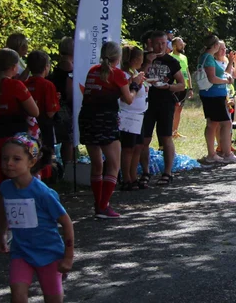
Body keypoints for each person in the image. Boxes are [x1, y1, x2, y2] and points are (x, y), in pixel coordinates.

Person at [0, 134, 75, 303]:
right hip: (21, 253)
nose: (9, 163)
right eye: (5, 158)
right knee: (17, 298)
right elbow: (6, 212)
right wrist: (2, 234)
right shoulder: (5, 187)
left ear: (31, 162)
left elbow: (67, 223)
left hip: (50, 254)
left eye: (16, 159)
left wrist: (68, 257)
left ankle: (58, 280)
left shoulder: (43, 193)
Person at [0, 48, 39, 245]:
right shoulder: (16, 86)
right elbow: (34, 111)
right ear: (14, 67)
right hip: (14, 141)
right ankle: (11, 230)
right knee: (17, 185)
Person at [78, 42, 138, 218]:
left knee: (97, 164)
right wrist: (134, 85)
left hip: (87, 118)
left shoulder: (93, 71)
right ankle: (104, 206)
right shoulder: (117, 74)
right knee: (113, 164)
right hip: (105, 119)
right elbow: (128, 99)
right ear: (118, 57)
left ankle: (99, 204)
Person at [140, 30, 189, 181]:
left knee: (166, 137)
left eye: (163, 43)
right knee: (144, 139)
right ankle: (145, 172)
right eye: (157, 44)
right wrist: (148, 61)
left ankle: (167, 172)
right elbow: (136, 77)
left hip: (165, 103)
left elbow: (182, 84)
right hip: (145, 104)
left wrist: (168, 87)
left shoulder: (171, 61)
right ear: (151, 43)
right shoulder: (142, 58)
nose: (161, 47)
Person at [198, 34, 236, 166]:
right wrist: (227, 80)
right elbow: (212, 79)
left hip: (210, 94)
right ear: (215, 46)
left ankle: (212, 154)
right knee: (226, 123)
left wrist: (230, 64)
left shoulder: (205, 57)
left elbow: (218, 74)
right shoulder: (208, 58)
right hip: (214, 95)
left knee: (212, 124)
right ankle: (227, 154)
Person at [24, 51, 59, 182]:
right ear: (46, 67)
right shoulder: (47, 85)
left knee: (30, 153)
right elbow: (51, 111)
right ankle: (45, 177)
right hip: (44, 126)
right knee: (45, 154)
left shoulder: (25, 83)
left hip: (28, 126)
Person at [118, 46, 148, 190]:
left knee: (138, 147)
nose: (143, 61)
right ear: (135, 59)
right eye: (141, 58)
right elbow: (124, 97)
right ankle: (126, 178)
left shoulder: (135, 72)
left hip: (139, 114)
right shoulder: (124, 74)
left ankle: (133, 175)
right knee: (128, 148)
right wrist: (134, 83)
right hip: (128, 115)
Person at [49, 38, 74, 166]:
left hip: (57, 104)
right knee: (68, 140)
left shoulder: (58, 64)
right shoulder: (68, 66)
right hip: (65, 106)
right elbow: (69, 91)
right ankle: (68, 167)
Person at [169, 37, 192, 139]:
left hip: (184, 87)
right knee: (174, 109)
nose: (182, 45)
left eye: (182, 44)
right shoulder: (170, 57)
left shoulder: (184, 57)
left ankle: (175, 131)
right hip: (175, 87)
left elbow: (187, 73)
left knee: (179, 110)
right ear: (174, 46)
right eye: (180, 44)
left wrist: (190, 88)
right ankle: (169, 132)